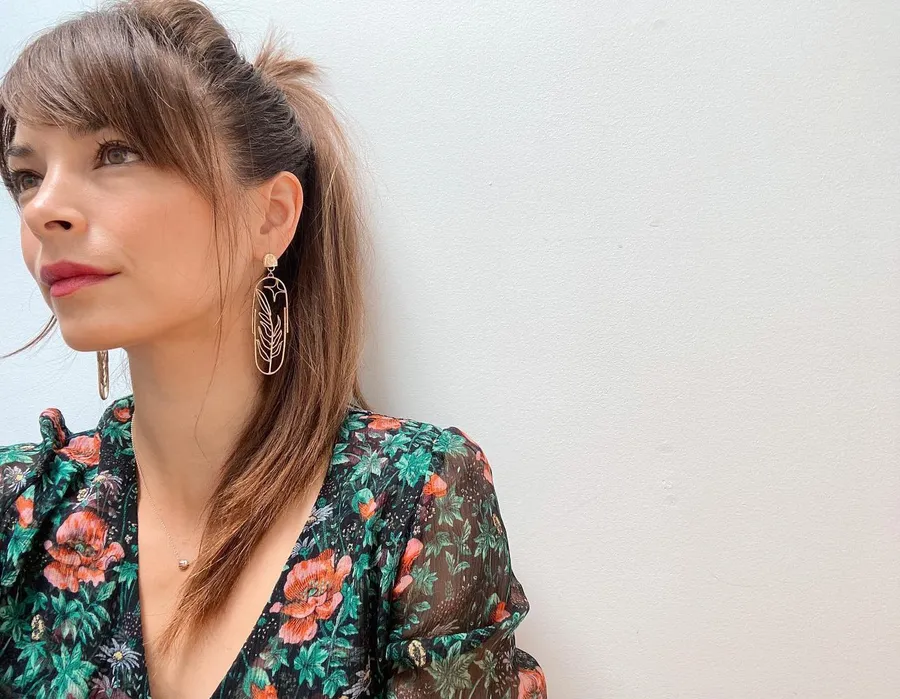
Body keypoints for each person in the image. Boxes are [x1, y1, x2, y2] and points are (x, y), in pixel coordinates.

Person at [0, 0, 548, 697]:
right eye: (27, 175)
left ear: (271, 215)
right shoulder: (20, 510)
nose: (42, 207)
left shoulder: (411, 500)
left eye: (116, 153)